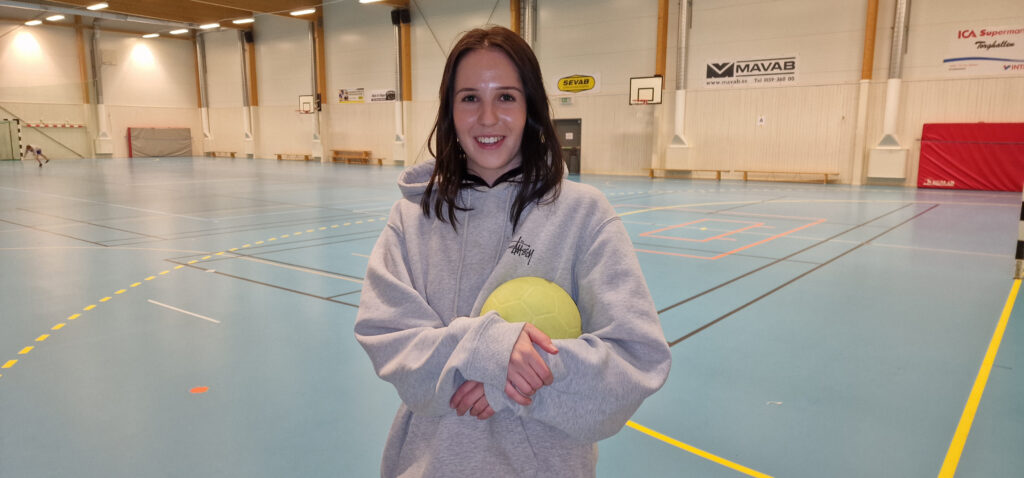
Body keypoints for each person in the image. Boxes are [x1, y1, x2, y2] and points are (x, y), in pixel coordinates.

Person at [354, 25, 671, 477]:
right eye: (469, 98)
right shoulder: (411, 218)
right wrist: (487, 349)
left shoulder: (583, 214)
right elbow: (388, 339)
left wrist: (519, 377)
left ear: (530, 109)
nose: (487, 118)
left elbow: (636, 360)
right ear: (449, 111)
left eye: (506, 97)